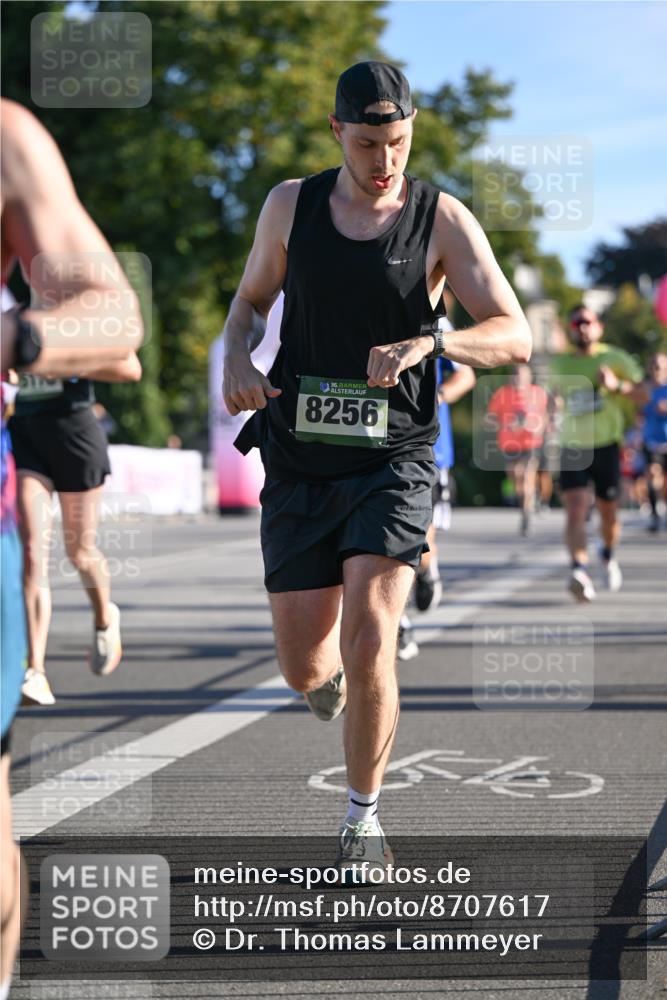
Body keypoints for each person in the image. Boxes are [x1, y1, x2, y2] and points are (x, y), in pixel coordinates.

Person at [223, 61, 531, 879]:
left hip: (393, 459)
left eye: (396, 142)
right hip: (298, 455)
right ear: (335, 133)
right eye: (366, 143)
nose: (383, 160)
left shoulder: (440, 218)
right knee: (306, 665)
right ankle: (319, 688)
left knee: (370, 638)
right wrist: (233, 355)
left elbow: (513, 331)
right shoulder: (291, 205)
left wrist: (435, 339)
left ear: (411, 132)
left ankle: (363, 817)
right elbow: (250, 300)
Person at [1, 98, 143, 997]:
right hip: (27, 451)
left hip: (71, 437)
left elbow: (119, 331)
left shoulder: (8, 138)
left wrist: (25, 342)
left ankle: (99, 610)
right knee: (30, 555)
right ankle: (40, 660)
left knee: (75, 554)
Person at [549, 304, 645, 602]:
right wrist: (553, 409)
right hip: (572, 446)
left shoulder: (613, 358)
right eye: (577, 322)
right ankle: (579, 569)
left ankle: (607, 554)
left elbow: (644, 394)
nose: (582, 327)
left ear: (598, 327)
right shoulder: (560, 364)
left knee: (608, 512)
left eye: (587, 322)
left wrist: (617, 386)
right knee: (576, 509)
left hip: (606, 445)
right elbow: (553, 398)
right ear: (571, 328)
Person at [486, 364, 549, 536]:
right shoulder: (502, 394)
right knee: (515, 476)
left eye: (521, 376)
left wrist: (537, 426)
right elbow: (490, 419)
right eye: (515, 375)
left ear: (529, 378)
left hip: (531, 442)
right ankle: (529, 499)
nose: (518, 379)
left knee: (526, 475)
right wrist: (506, 423)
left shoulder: (538, 393)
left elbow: (544, 417)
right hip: (509, 443)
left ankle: (526, 516)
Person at [642, 351, 667, 531]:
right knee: (652, 473)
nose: (656, 368)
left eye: (660, 365)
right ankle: (655, 513)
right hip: (651, 439)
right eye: (654, 365)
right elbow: (639, 413)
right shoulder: (645, 389)